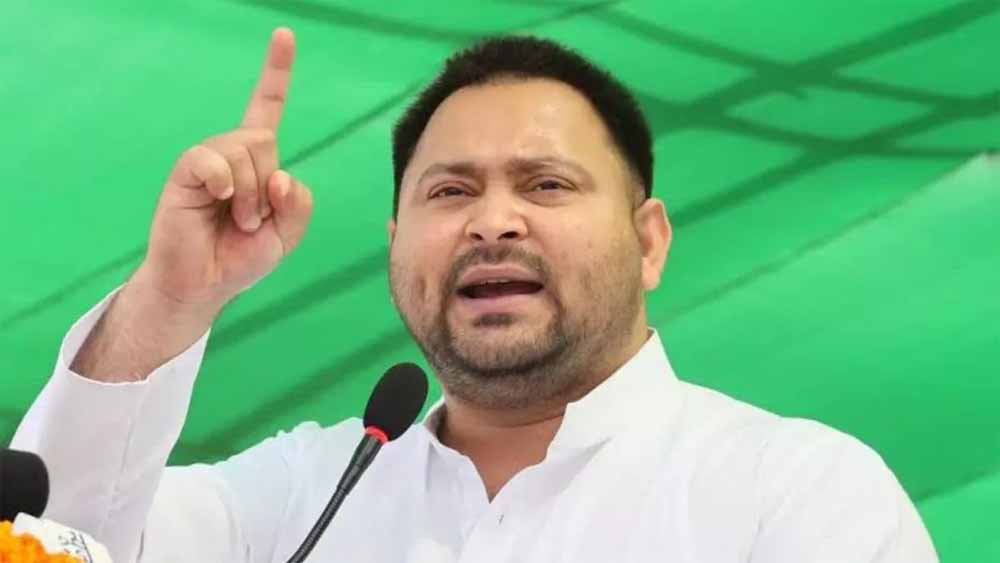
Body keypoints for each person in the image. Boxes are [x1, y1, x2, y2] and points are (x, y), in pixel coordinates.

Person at [11, 27, 937, 562]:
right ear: (396, 245)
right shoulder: (301, 494)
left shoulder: (797, 491)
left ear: (649, 240)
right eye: (450, 192)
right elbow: (58, 541)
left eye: (546, 184)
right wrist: (171, 298)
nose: (493, 223)